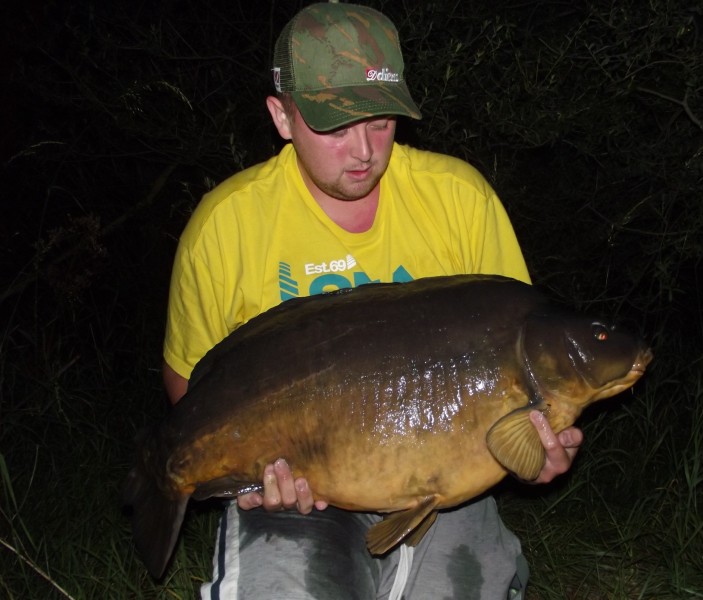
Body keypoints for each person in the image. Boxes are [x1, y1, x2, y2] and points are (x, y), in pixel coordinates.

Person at [162, 3, 583, 599]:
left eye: (380, 122)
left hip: (445, 486)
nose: (363, 149)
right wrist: (244, 477)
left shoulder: (458, 200)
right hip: (297, 493)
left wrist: (537, 451)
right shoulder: (226, 226)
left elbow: (517, 371)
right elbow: (190, 392)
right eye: (334, 126)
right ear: (282, 117)